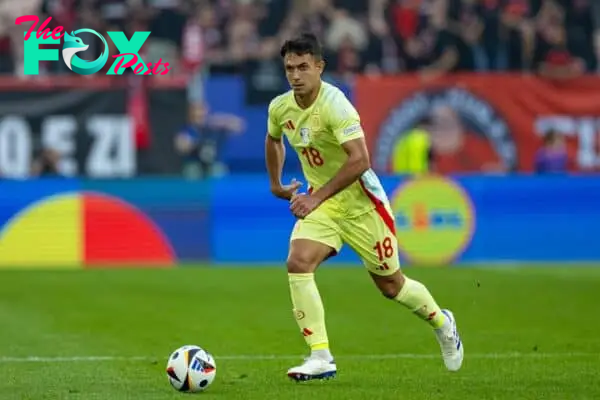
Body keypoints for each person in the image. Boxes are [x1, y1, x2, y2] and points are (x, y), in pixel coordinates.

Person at [264, 33, 464, 382]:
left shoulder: (335, 105)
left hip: (362, 205)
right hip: (323, 205)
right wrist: (276, 183)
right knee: (298, 261)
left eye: (303, 67)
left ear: (319, 67)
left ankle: (443, 323)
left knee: (391, 287)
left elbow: (360, 160)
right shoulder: (281, 107)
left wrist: (314, 197)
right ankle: (321, 355)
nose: (295, 75)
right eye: (289, 68)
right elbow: (273, 138)